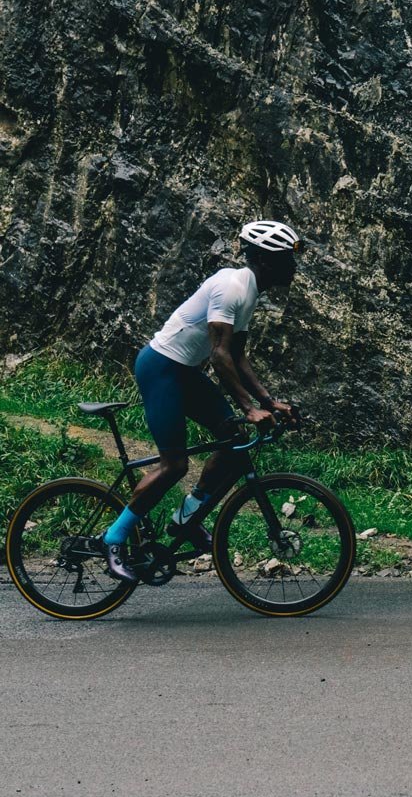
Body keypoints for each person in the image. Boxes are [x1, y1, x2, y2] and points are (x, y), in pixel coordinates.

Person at [101, 220, 303, 580]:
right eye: (289, 258)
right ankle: (114, 538)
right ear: (267, 259)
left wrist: (269, 402)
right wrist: (248, 408)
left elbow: (238, 357)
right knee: (174, 465)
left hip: (183, 372)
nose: (294, 266)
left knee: (235, 441)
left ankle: (186, 519)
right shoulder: (231, 286)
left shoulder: (249, 291)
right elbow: (219, 355)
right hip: (161, 368)